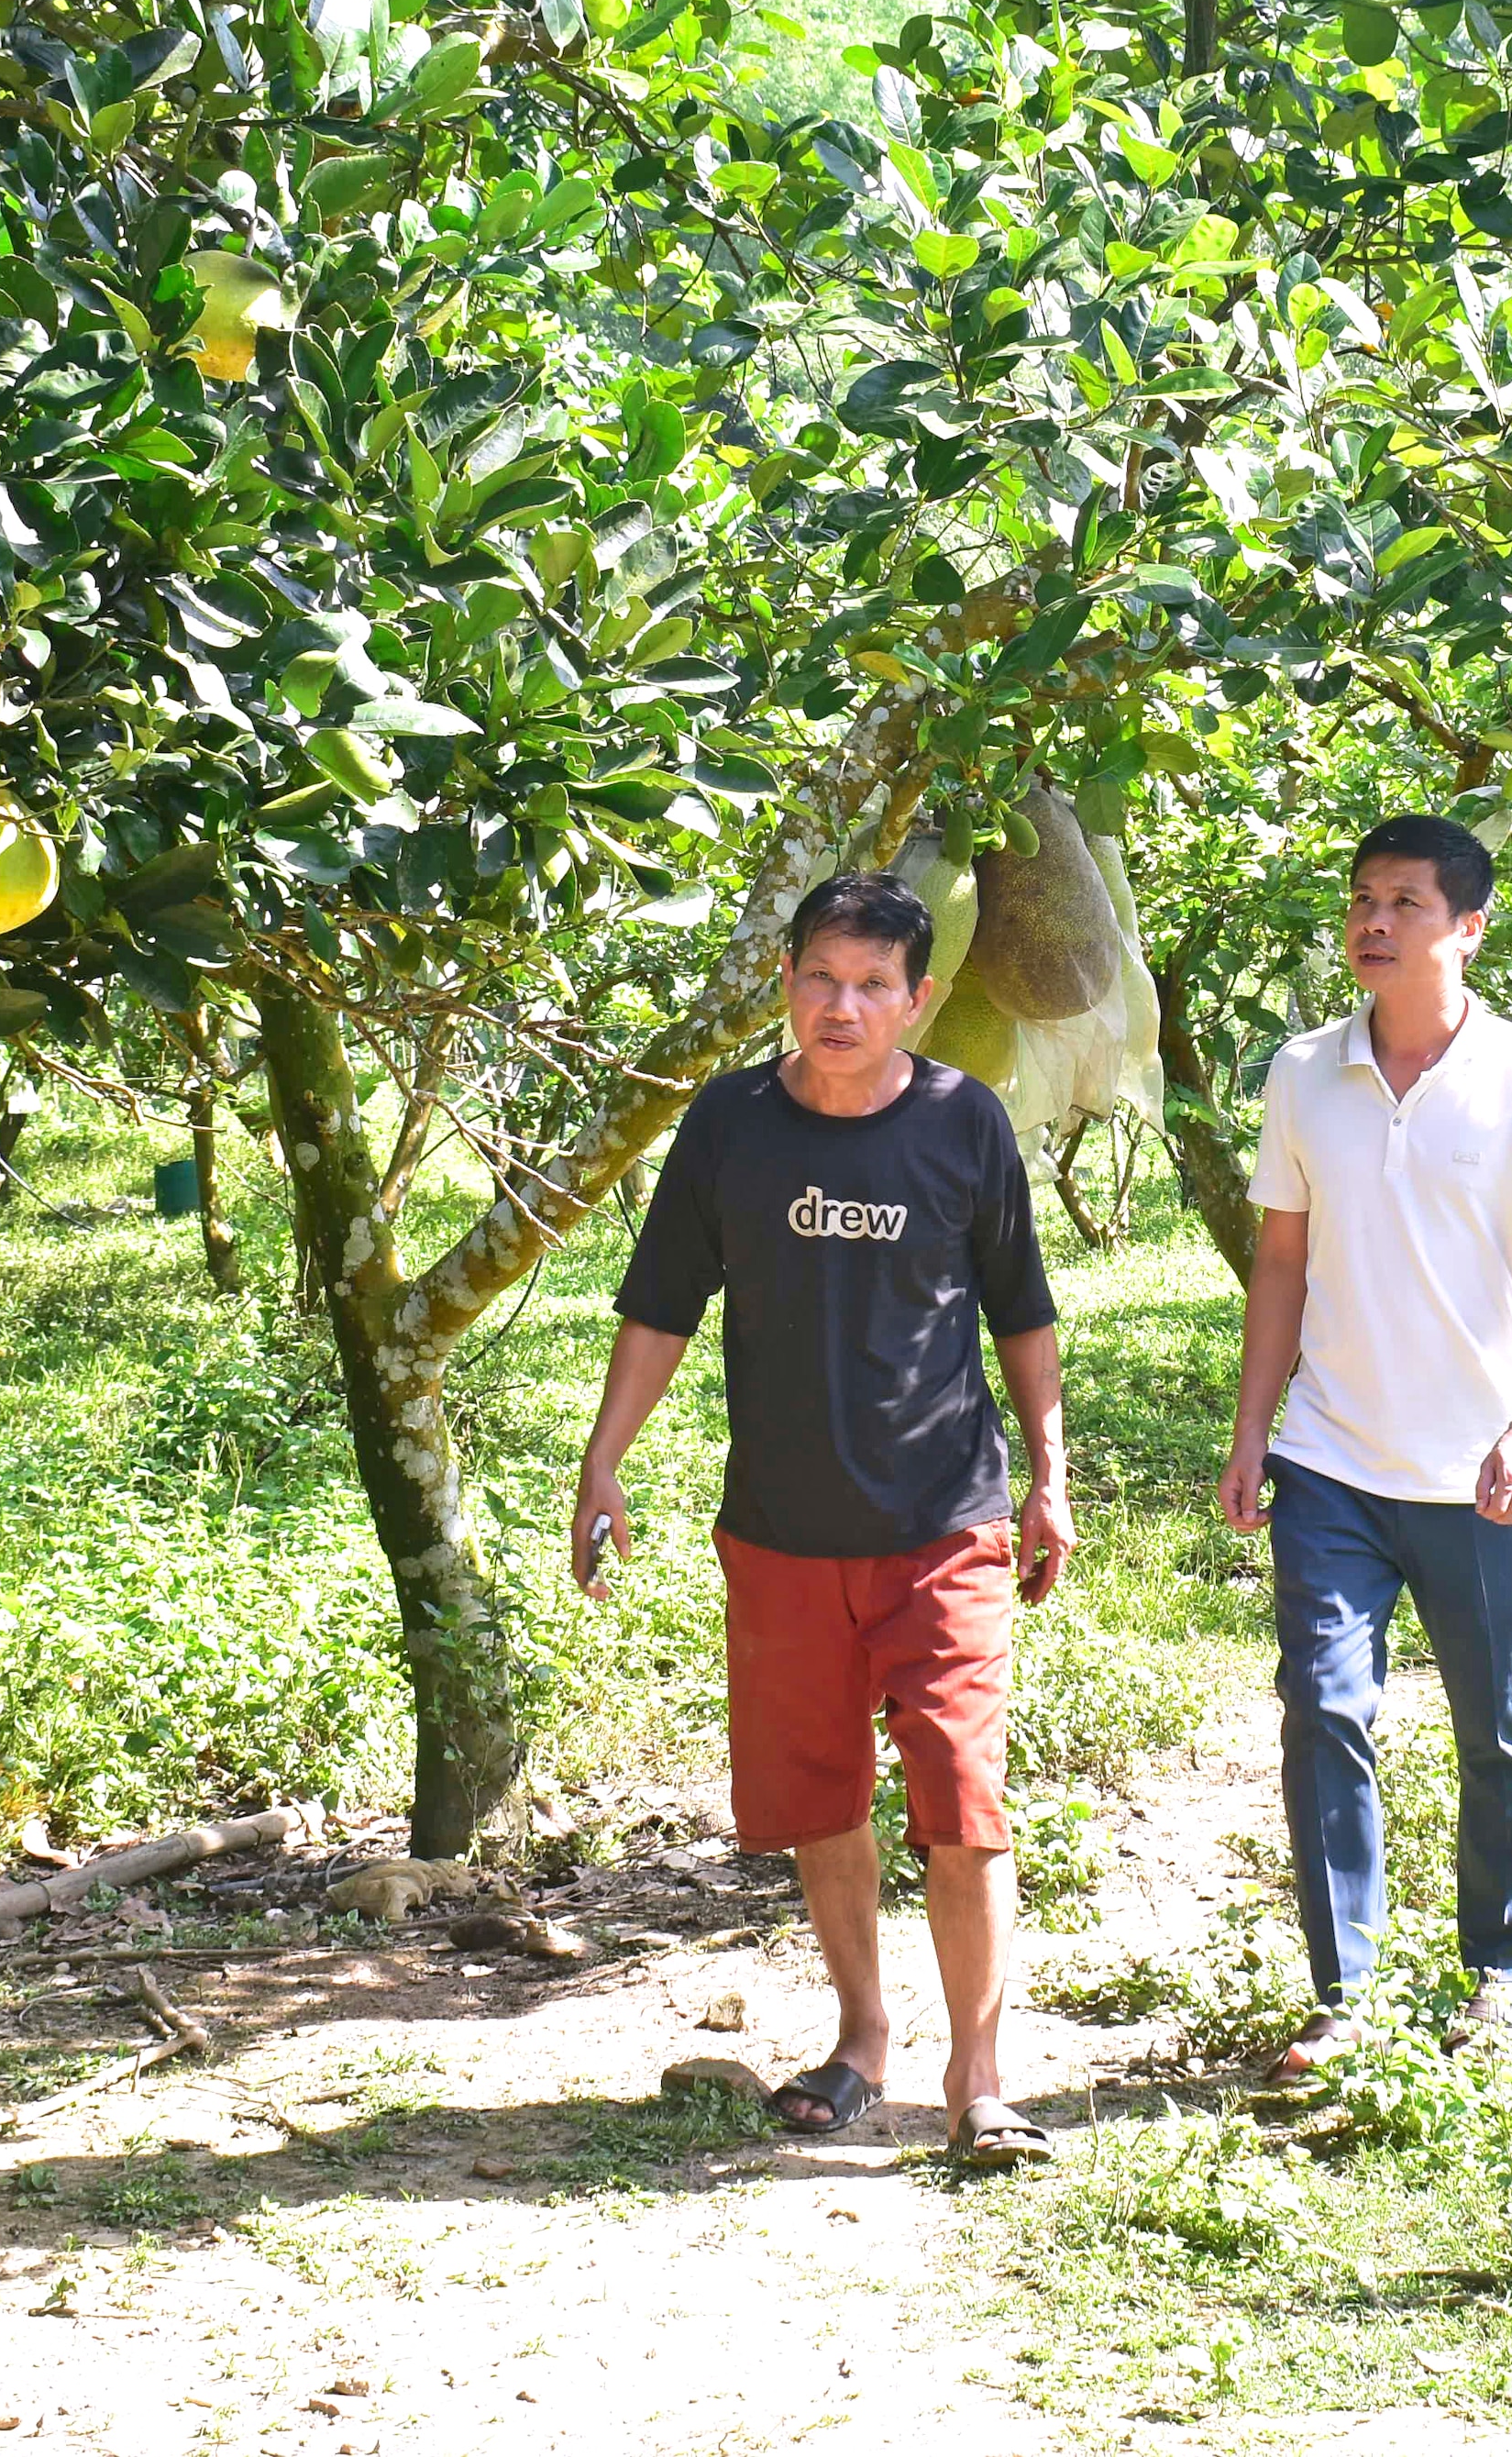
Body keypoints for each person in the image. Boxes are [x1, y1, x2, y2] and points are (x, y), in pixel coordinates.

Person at [578, 869, 1074, 2168]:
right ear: (786, 980)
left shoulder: (966, 1125)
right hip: (783, 1532)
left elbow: (1022, 1312)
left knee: (963, 1805)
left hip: (944, 1522)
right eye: (819, 979)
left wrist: (1050, 1473)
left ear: (922, 998)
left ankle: (982, 2075)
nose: (840, 1007)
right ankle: (862, 2038)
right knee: (823, 1802)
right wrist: (604, 1460)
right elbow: (663, 1303)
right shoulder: (731, 1123)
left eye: (871, 986)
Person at [1219, 813, 1512, 2067]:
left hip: (1479, 1472)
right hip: (1331, 1460)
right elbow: (1280, 1260)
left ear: (1470, 926)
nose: (1372, 922)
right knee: (1322, 1711)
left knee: (1499, 1727)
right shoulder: (1302, 1072)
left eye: (1405, 902)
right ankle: (1348, 1997)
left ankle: (1498, 1972)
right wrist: (1253, 1430)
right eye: (1361, 899)